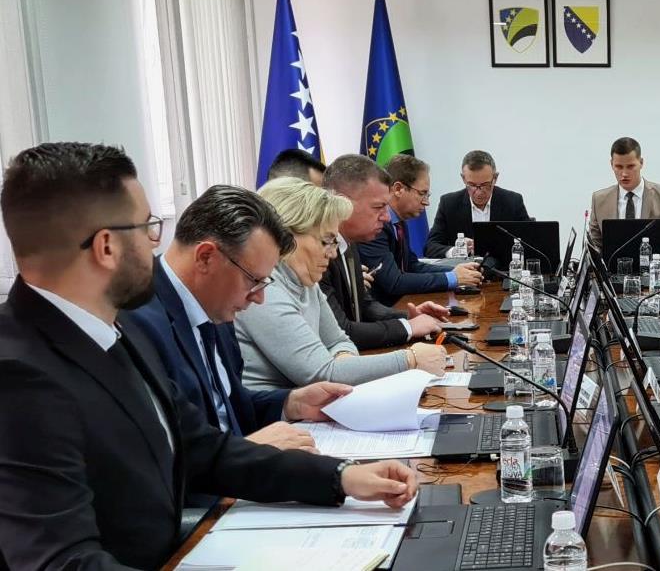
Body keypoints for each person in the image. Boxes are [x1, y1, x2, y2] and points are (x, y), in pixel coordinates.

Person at [0, 142, 417, 569]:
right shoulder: (19, 377)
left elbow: (203, 449)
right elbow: (62, 561)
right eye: (147, 227)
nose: (156, 243)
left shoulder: (112, 328)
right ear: (106, 247)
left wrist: (341, 477)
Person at [130, 185, 355, 455]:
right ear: (205, 257)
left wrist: (290, 403)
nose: (259, 298)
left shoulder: (217, 306)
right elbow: (161, 455)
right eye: (253, 281)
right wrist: (248, 450)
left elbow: (227, 408)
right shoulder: (137, 323)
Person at [236, 178, 447, 389]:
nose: (333, 253)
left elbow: (339, 341)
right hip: (273, 409)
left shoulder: (307, 283)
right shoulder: (265, 292)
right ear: (286, 236)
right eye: (326, 241)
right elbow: (322, 373)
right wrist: (409, 359)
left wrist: (343, 365)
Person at [322, 154, 450, 350]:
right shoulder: (318, 254)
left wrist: (409, 316)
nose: (386, 217)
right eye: (378, 207)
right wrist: (408, 327)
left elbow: (366, 305)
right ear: (342, 204)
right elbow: (342, 331)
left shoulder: (350, 242)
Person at [358, 154, 483, 306]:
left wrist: (455, 270)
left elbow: (412, 266)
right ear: (398, 189)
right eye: (422, 193)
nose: (427, 202)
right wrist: (453, 278)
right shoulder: (376, 226)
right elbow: (394, 282)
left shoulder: (399, 223)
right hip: (383, 311)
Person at [425, 150, 531, 258]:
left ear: (495, 178)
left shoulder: (513, 201)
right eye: (472, 185)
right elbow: (430, 246)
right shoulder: (449, 204)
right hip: (464, 267)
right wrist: (455, 251)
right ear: (463, 179)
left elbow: (530, 242)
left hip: (502, 266)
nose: (479, 192)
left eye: (485, 185)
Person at [586, 136, 660, 249]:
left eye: (630, 166)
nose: (624, 174)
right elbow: (594, 246)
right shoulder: (599, 200)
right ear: (611, 164)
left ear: (641, 163)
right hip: (612, 260)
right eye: (619, 167)